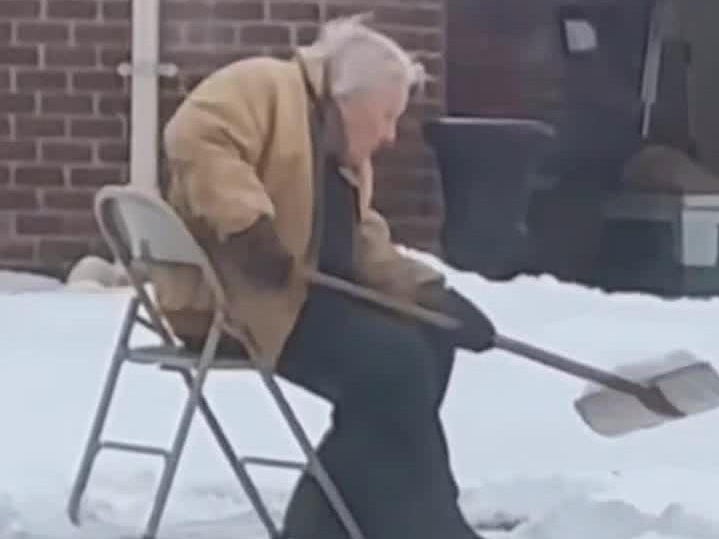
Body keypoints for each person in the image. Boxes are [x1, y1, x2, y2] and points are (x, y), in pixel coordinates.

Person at [152, 13, 495, 539]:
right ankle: (423, 526)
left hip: (296, 299)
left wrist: (432, 296)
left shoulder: (342, 158)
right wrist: (247, 225)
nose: (390, 135)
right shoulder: (264, 86)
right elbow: (196, 136)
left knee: (427, 341)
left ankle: (328, 525)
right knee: (394, 364)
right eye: (385, 116)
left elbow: (363, 247)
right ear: (348, 98)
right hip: (240, 299)